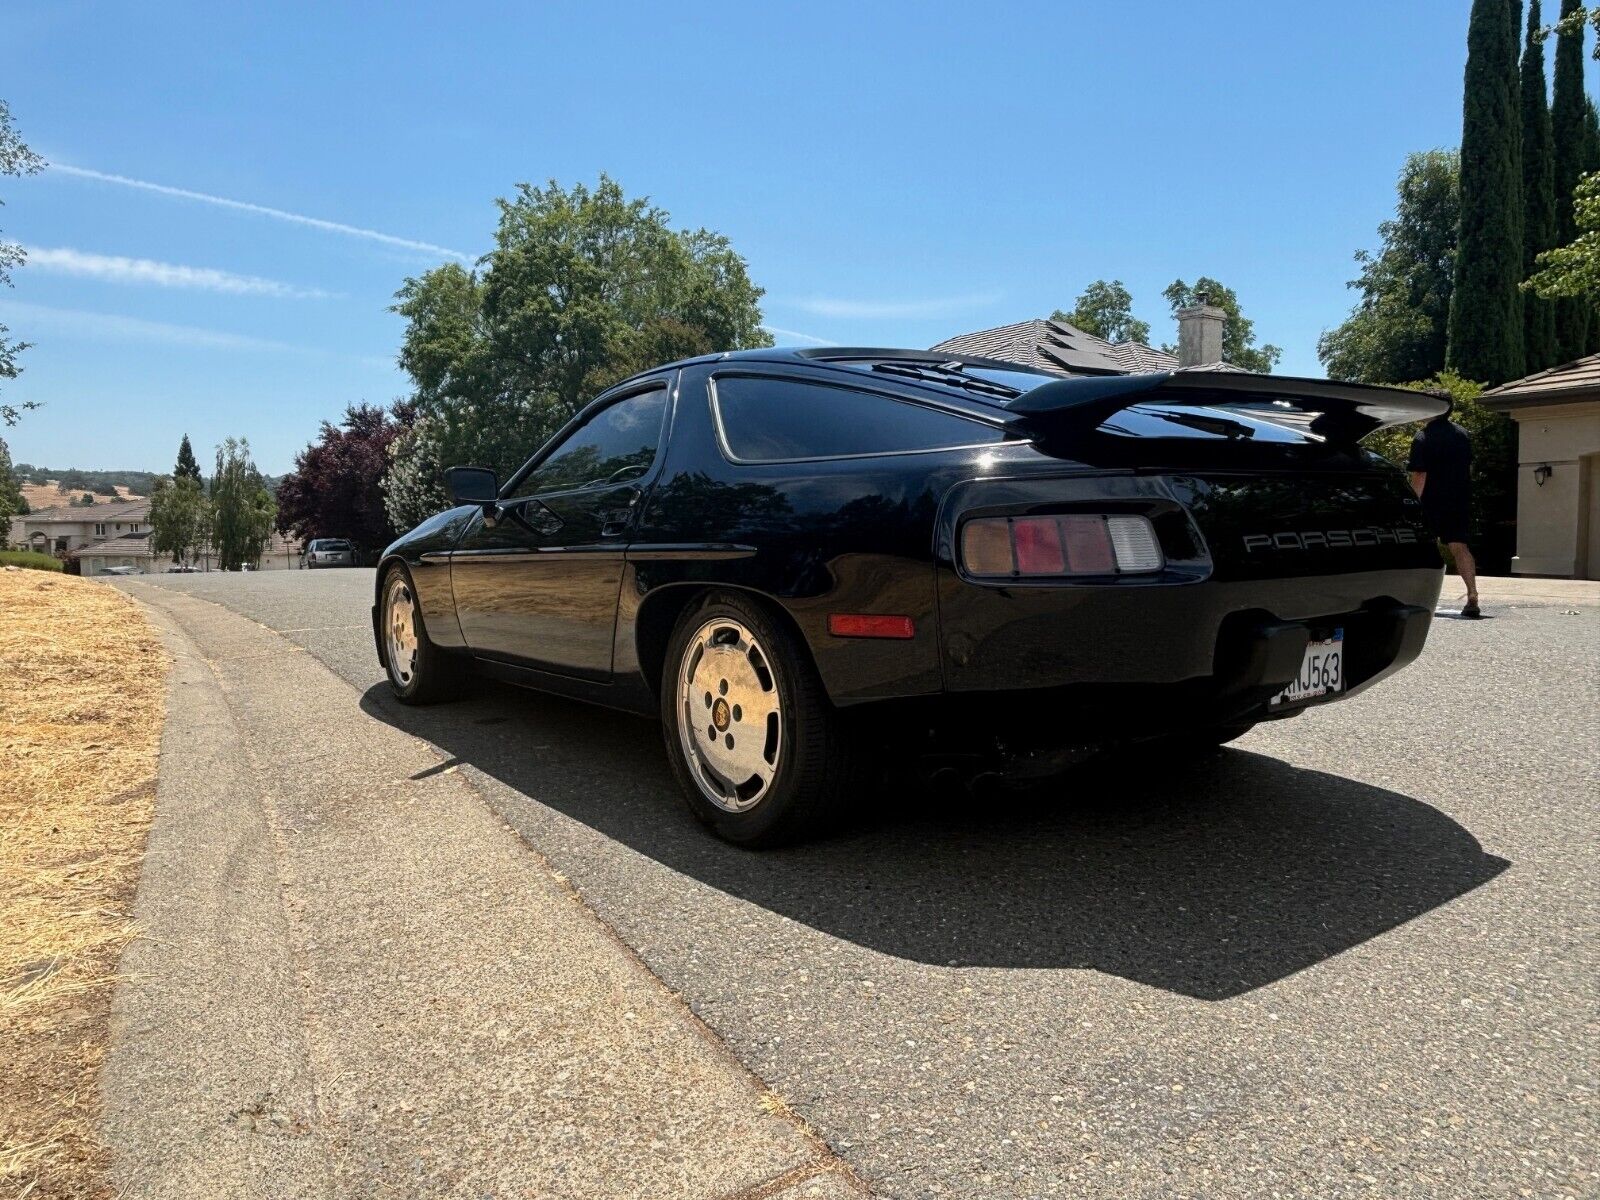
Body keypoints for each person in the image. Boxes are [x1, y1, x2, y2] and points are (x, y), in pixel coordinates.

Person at [1407, 403, 1480, 618]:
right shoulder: (1462, 434)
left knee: (1423, 547)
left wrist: (1412, 503)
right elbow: (1468, 468)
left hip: (1431, 501)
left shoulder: (1422, 437)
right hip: (1458, 499)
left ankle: (1418, 597)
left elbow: (1420, 475)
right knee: (1460, 546)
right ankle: (1472, 595)